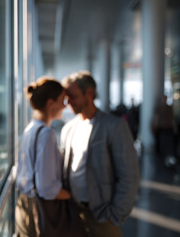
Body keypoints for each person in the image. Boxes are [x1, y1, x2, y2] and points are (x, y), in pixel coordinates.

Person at [60, 71, 139, 237]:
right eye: (67, 98)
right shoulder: (68, 128)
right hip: (74, 213)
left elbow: (129, 175)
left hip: (103, 215)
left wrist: (115, 214)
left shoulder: (114, 126)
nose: (68, 102)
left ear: (89, 93)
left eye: (73, 96)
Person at [15, 76, 71, 237]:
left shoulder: (31, 128)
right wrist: (71, 196)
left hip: (25, 205)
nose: (65, 106)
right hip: (40, 210)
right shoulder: (46, 134)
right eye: (62, 100)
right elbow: (46, 187)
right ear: (50, 103)